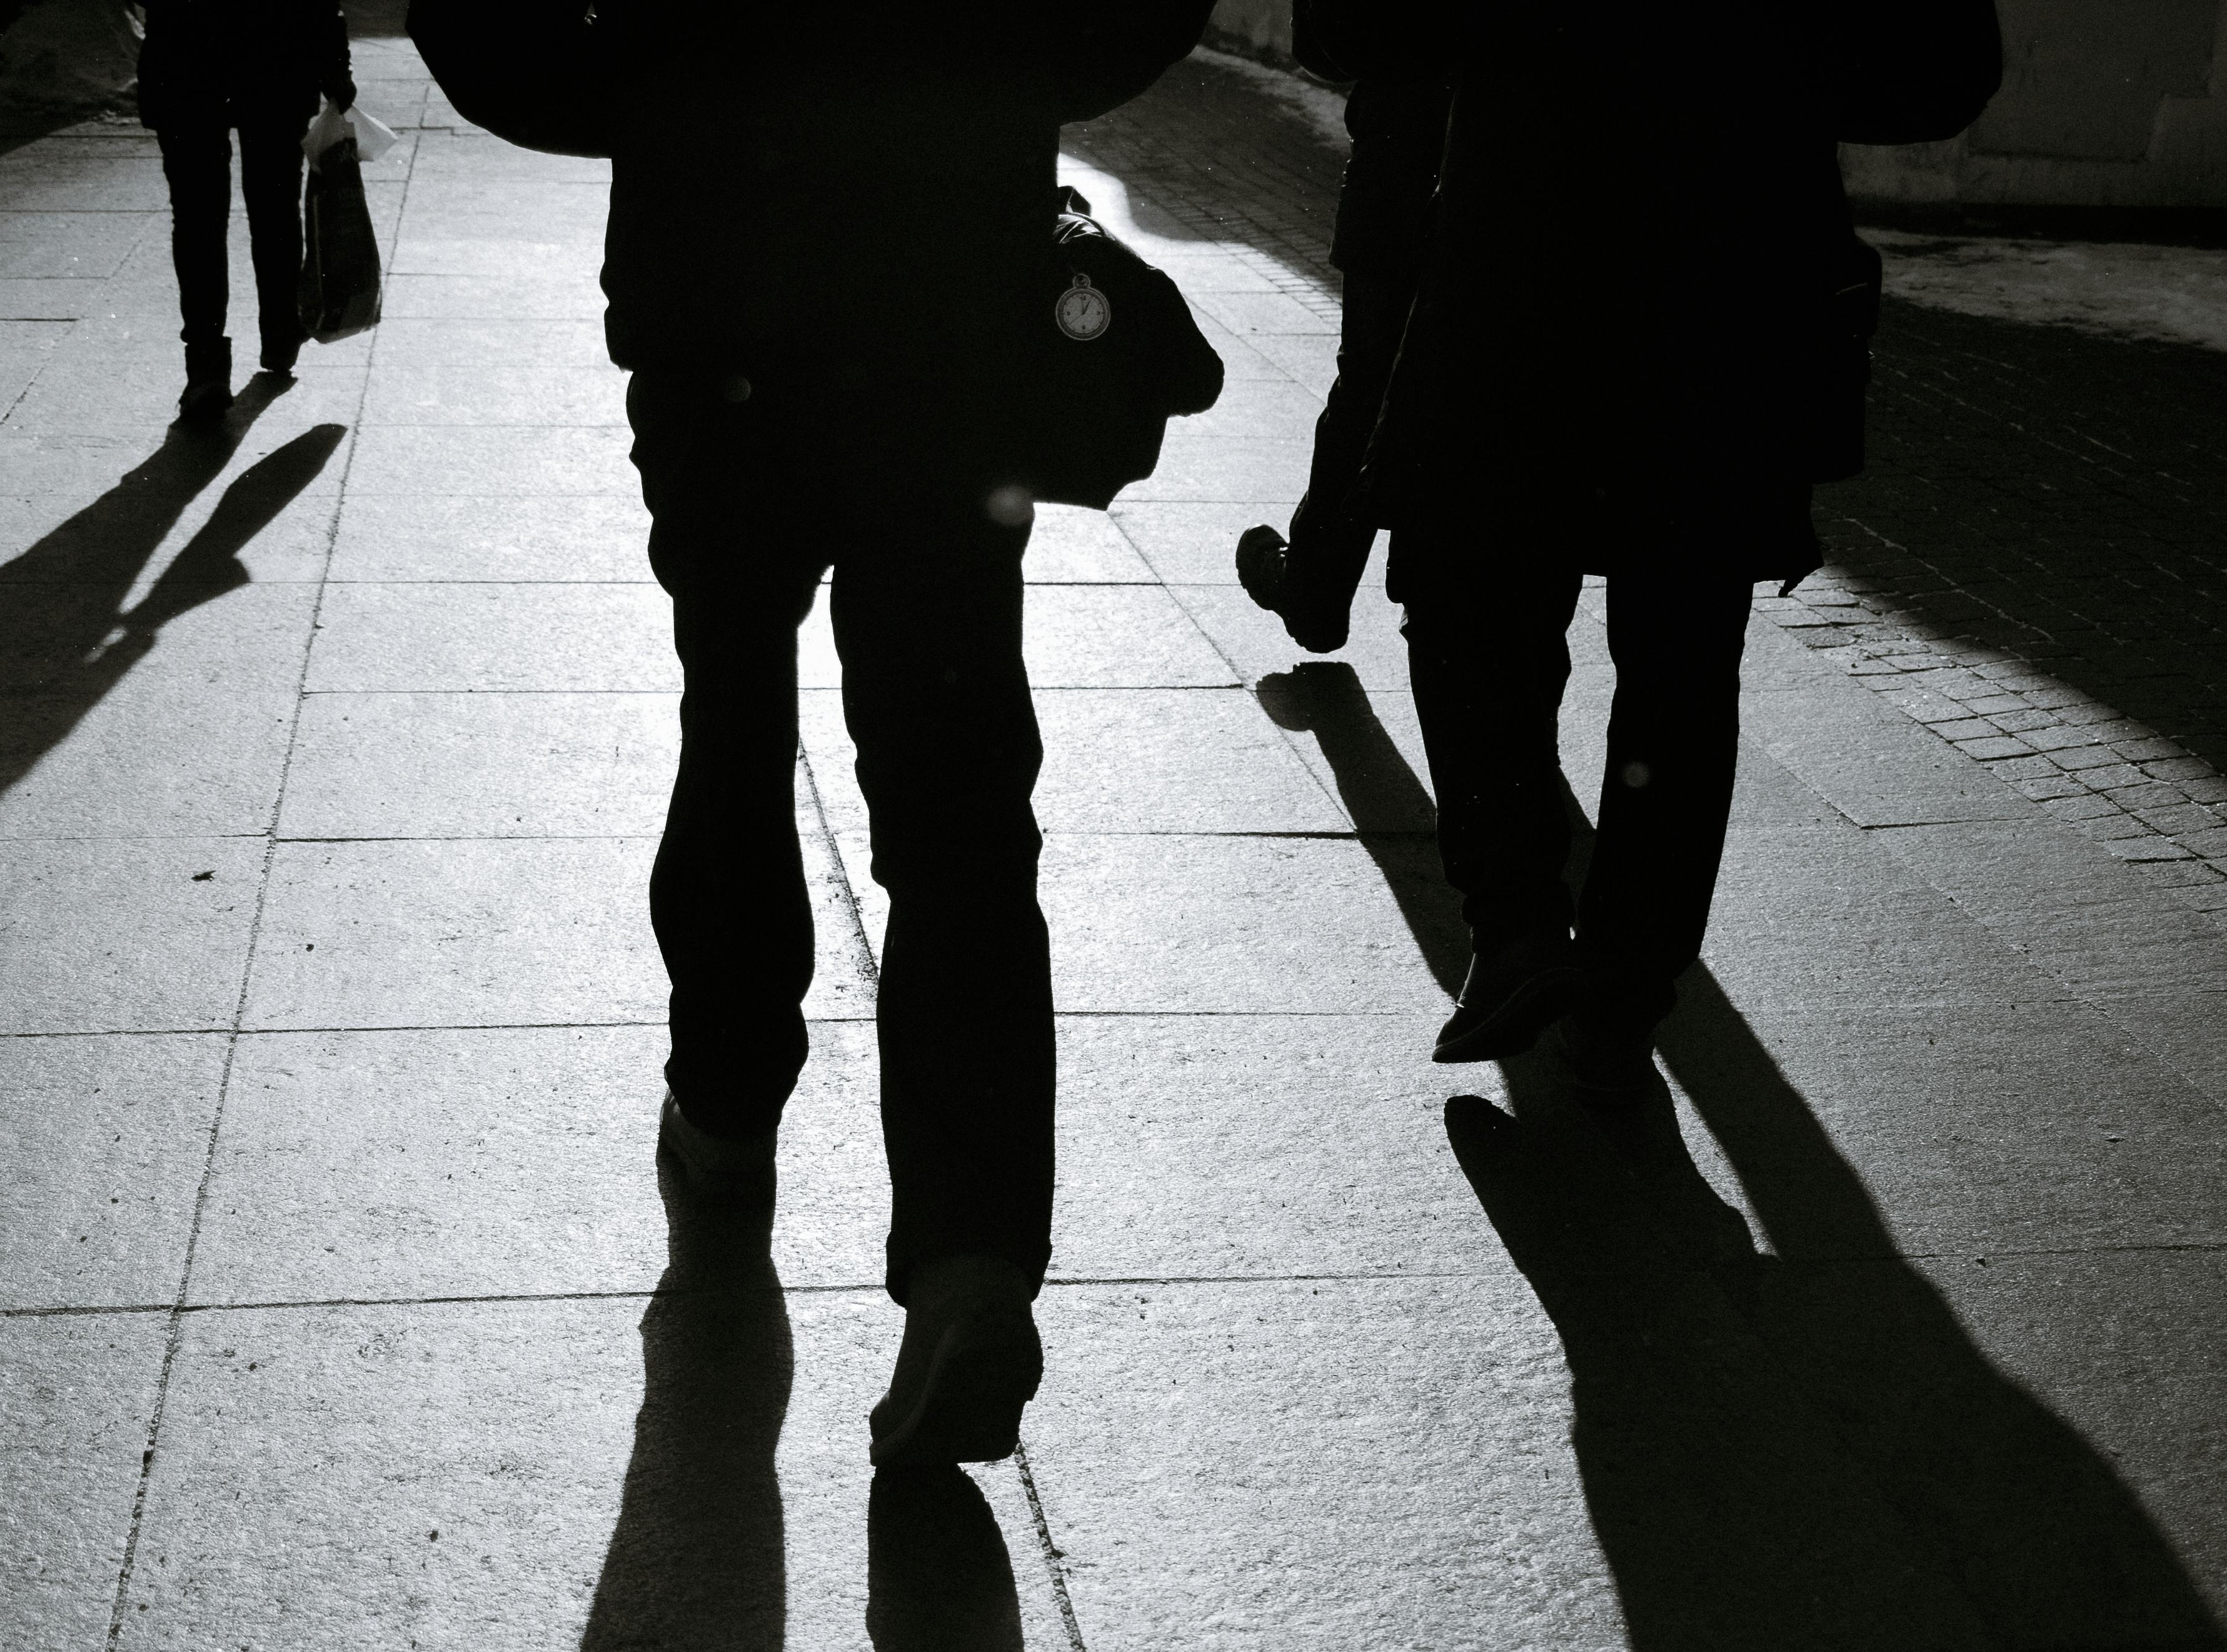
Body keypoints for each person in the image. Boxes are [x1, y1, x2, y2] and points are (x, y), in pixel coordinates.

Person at [603, 4, 1215, 1468]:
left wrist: (662, 73)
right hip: (948, 328)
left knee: (735, 721)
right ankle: (970, 1258)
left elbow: (497, 54)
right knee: (959, 807)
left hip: (727, 324)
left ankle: (727, 1099)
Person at [1332, 0, 2001, 1092]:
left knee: (1473, 604)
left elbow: (1353, 30)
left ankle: (1519, 926)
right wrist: (1765, 63)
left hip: (1524, 273)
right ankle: (1623, 981)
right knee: (1677, 658)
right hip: (1722, 285)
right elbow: (1938, 72)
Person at [1232, 6, 1451, 655]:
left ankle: (1317, 588)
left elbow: (1328, 41)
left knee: (1367, 384)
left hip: (1402, 166)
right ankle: (1443, 601)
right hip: (1529, 181)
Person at [137, 0, 354, 423]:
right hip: (276, 58)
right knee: (275, 209)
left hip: (186, 59)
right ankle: (281, 330)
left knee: (198, 217)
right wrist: (336, 68)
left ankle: (206, 365)